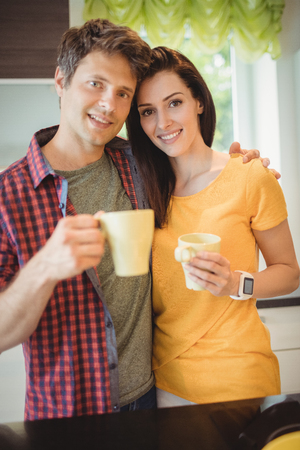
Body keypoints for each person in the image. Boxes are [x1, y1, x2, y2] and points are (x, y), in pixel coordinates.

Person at [0, 19, 274, 421]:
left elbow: (201, 169)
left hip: (150, 397)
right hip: (66, 413)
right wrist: (43, 268)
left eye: (123, 93)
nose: (109, 104)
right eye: (96, 84)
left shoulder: (140, 165)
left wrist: (245, 163)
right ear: (61, 81)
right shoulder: (9, 194)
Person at [126, 47, 300, 408]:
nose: (163, 123)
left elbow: (289, 273)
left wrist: (236, 283)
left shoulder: (249, 176)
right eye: (148, 112)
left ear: (200, 102)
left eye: (174, 103)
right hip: (164, 382)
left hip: (238, 379)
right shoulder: (141, 189)